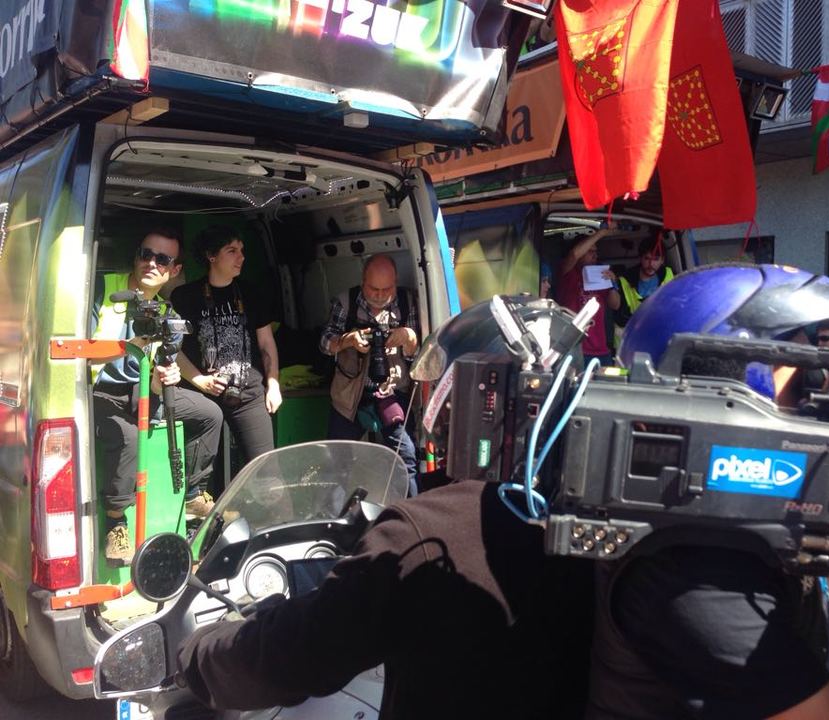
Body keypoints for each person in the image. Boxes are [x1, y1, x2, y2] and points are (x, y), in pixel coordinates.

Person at [176, 301, 597, 718]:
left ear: (480, 400)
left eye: (448, 397)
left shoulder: (425, 534)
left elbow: (301, 654)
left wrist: (197, 654)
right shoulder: (603, 529)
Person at [595, 264, 829, 719]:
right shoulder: (690, 575)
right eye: (806, 372)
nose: (825, 390)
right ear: (739, 383)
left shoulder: (750, 501)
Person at [92, 229, 223, 564]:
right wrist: (130, 347)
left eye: (162, 259)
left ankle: (192, 494)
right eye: (146, 254)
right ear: (136, 256)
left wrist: (167, 377)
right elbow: (81, 354)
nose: (151, 263)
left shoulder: (167, 314)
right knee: (129, 436)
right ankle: (116, 523)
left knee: (209, 414)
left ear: (174, 270)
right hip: (97, 390)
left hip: (140, 391)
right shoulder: (101, 289)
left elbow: (158, 377)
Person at [171, 226, 282, 480]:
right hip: (202, 397)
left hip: (248, 394)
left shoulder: (251, 293)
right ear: (211, 256)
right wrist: (199, 380)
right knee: (200, 477)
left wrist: (274, 385)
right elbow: (172, 348)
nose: (241, 257)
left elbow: (266, 344)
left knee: (267, 473)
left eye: (241, 250)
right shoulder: (184, 297)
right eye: (231, 251)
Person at [319, 254, 420, 495]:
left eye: (387, 289)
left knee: (406, 458)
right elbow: (324, 343)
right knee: (336, 463)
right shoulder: (345, 303)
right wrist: (348, 340)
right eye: (374, 289)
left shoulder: (408, 303)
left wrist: (408, 338)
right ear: (363, 281)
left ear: (396, 282)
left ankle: (410, 511)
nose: (380, 295)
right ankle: (334, 512)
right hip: (349, 396)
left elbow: (420, 359)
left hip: (392, 393)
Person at [555, 227, 618, 365]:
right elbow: (574, 255)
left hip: (601, 350)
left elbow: (615, 305)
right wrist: (602, 233)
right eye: (589, 251)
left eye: (595, 252)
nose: (594, 255)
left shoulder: (599, 275)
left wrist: (613, 284)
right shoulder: (568, 274)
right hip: (575, 348)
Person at [609, 235, 674, 341]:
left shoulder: (669, 274)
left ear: (662, 260)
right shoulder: (625, 279)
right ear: (641, 258)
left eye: (656, 259)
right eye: (647, 258)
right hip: (630, 340)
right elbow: (614, 306)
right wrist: (612, 284)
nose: (651, 264)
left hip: (661, 336)